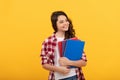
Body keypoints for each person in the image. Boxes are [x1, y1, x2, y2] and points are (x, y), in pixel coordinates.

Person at [40, 11, 87, 80]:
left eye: (66, 20)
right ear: (55, 25)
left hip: (74, 76)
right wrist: (59, 69)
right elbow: (44, 64)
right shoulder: (48, 41)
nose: (65, 23)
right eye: (61, 22)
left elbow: (84, 62)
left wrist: (69, 62)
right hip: (57, 77)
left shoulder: (74, 40)